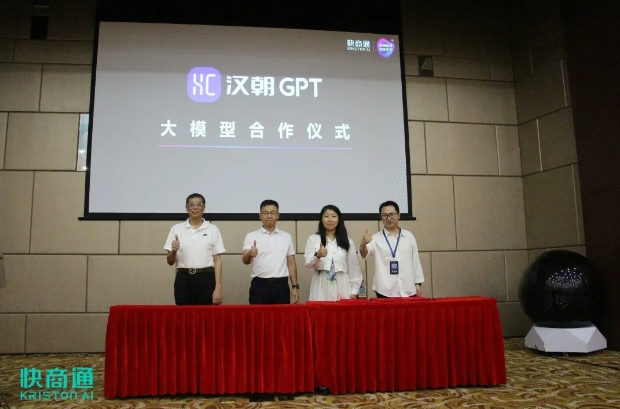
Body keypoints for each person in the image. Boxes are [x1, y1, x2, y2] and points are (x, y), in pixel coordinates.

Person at [164, 193, 225, 305]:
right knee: (183, 314)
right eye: (191, 205)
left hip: (206, 278)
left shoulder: (212, 229)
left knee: (206, 314)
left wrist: (218, 287)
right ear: (187, 208)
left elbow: (217, 260)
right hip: (183, 278)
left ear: (204, 208)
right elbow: (170, 261)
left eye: (199, 204)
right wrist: (173, 251)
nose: (195, 208)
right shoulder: (176, 229)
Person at [359, 200, 424, 298]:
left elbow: (415, 261)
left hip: (408, 289)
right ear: (381, 218)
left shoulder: (408, 236)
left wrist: (418, 283)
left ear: (398, 215)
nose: (388, 218)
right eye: (384, 215)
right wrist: (363, 244)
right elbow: (364, 254)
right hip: (385, 290)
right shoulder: (375, 238)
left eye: (391, 214)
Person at [242, 200, 300, 304]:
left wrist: (295, 286)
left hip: (281, 285)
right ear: (260, 216)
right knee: (258, 315)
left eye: (272, 213)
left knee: (281, 315)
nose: (269, 216)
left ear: (278, 215)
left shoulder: (286, 236)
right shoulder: (251, 236)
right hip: (259, 285)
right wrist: (250, 253)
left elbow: (291, 263)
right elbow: (245, 261)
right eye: (265, 213)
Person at [304, 205, 363, 301]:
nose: (330, 220)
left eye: (334, 216)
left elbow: (353, 267)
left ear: (339, 220)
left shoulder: (347, 240)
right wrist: (317, 255)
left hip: (342, 284)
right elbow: (307, 263)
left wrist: (354, 291)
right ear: (321, 219)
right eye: (326, 216)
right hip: (321, 285)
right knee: (321, 310)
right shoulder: (314, 239)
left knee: (341, 310)